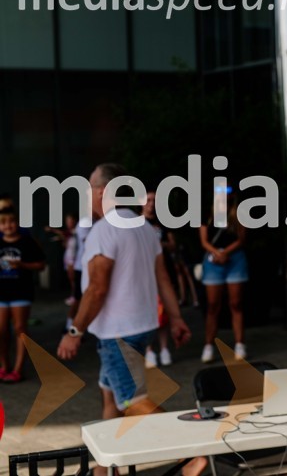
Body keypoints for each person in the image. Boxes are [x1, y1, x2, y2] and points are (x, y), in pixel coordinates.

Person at [56, 164, 194, 428]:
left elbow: (97, 289)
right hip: (142, 327)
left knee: (133, 402)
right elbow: (163, 279)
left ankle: (187, 444)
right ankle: (107, 456)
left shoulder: (103, 230)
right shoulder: (144, 227)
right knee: (109, 393)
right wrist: (176, 318)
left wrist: (74, 332)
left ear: (103, 191)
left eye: (89, 187)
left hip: (117, 334)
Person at [199, 193, 248, 363]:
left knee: (236, 303)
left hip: (235, 259)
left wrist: (225, 253)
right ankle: (208, 345)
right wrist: (217, 253)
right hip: (213, 260)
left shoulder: (238, 214)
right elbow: (204, 241)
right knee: (213, 305)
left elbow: (241, 239)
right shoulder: (207, 215)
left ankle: (240, 344)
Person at [0, 207, 46, 383]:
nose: (8, 225)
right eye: (3, 222)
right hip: (1, 293)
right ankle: (4, 366)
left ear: (18, 223)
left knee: (20, 328)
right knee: (2, 331)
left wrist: (22, 265)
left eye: (11, 221)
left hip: (21, 292)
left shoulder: (28, 242)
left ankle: (18, 369)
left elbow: (41, 265)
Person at [142, 191, 174, 368]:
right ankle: (148, 350)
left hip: (162, 272)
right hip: (143, 274)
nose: (151, 203)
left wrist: (160, 245)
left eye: (154, 200)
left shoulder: (163, 222)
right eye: (148, 200)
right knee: (147, 312)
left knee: (163, 312)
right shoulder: (136, 223)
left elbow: (172, 244)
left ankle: (164, 348)